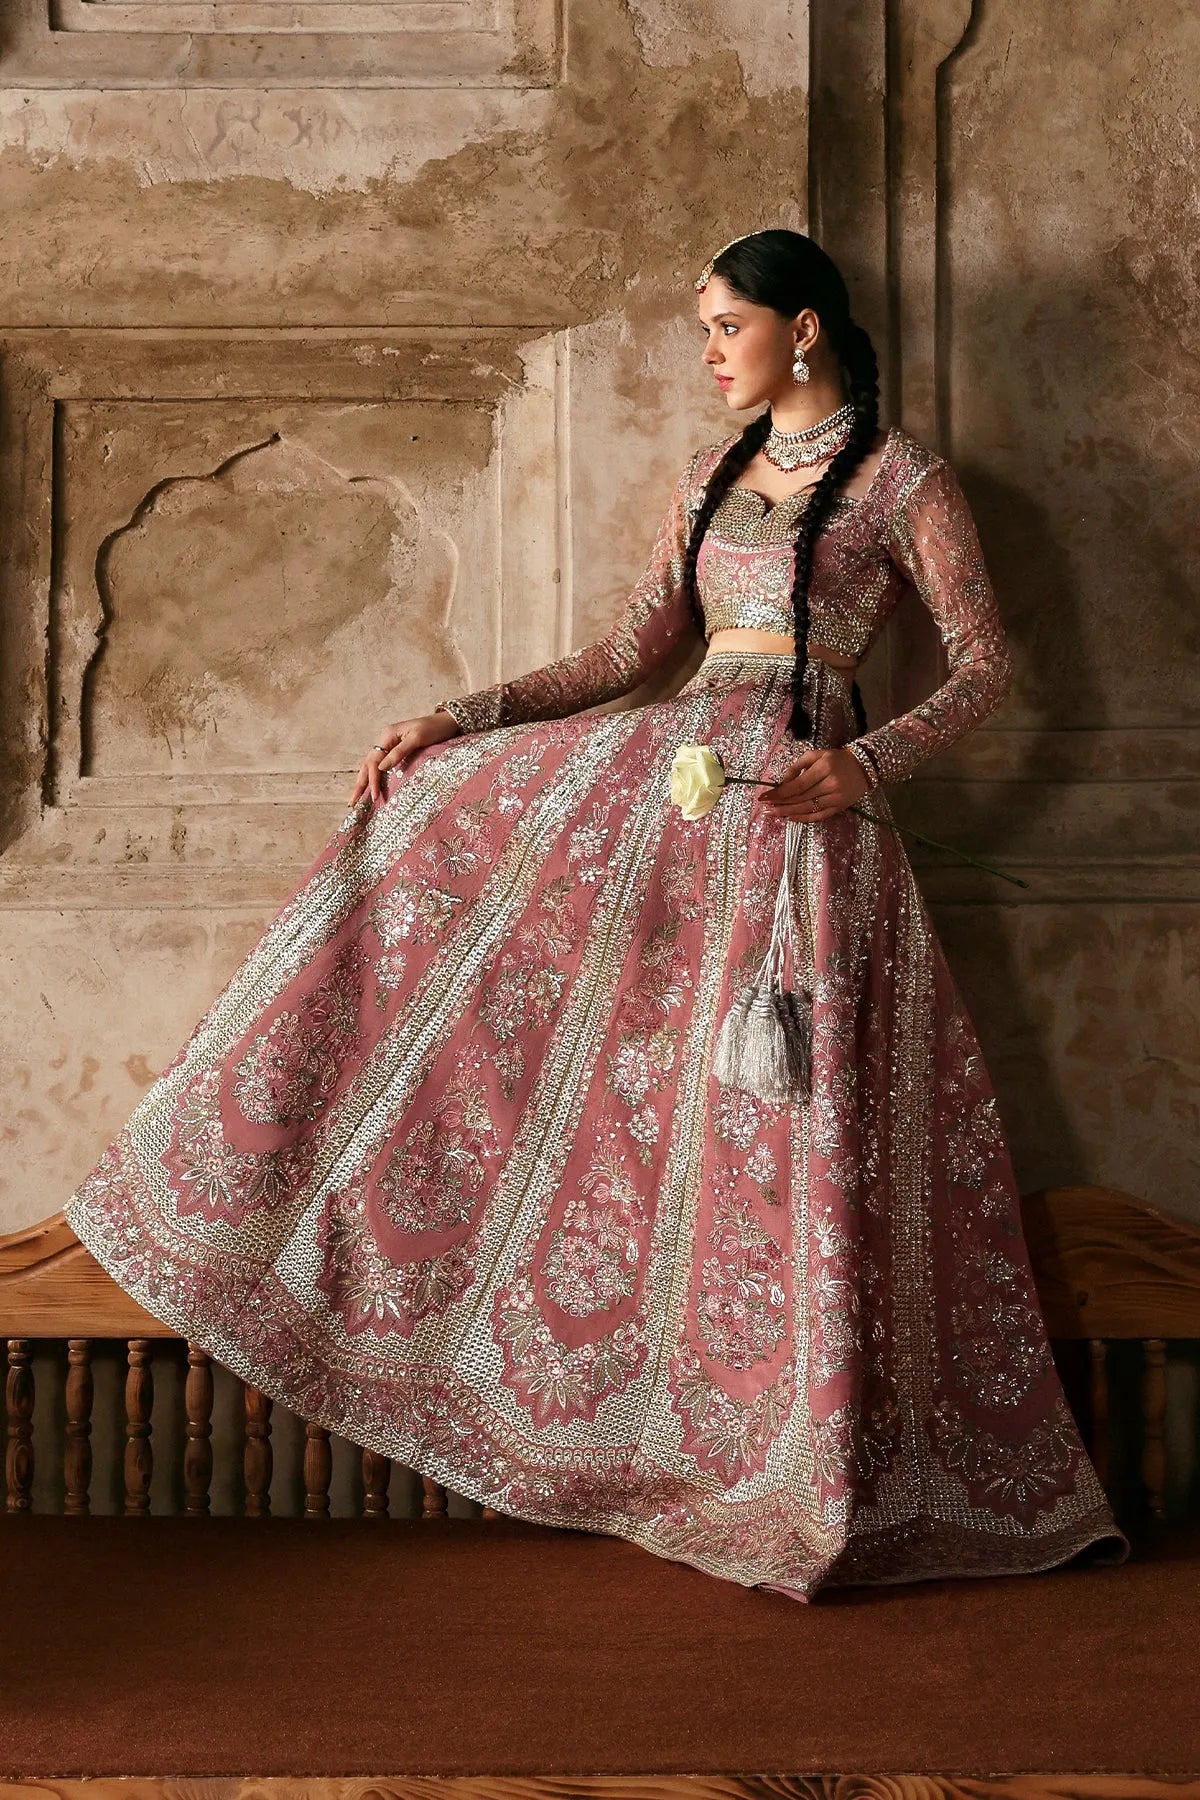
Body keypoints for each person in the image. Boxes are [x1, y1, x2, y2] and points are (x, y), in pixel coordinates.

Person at [65, 228, 1130, 1601]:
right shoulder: (710, 478)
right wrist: (458, 717)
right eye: (705, 330)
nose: (711, 353)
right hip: (676, 804)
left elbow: (984, 670)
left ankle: (794, 1459)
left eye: (728, 327)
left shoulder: (902, 480)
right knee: (617, 1088)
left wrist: (865, 766)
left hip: (798, 822)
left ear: (804, 328)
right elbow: (632, 654)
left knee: (775, 1129)